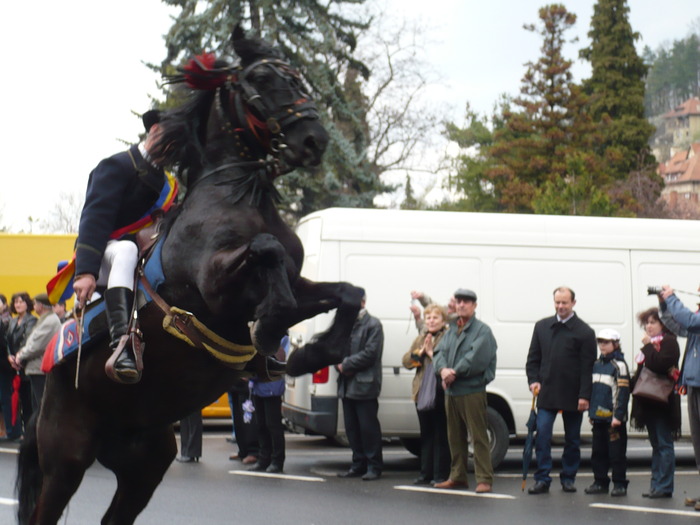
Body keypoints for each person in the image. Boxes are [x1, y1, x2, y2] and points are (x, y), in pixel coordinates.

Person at [68, 110, 176, 384]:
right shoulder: (116, 166)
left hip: (137, 259)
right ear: (154, 129)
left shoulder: (167, 184)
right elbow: (94, 218)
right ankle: (122, 343)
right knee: (125, 250)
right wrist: (86, 272)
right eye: (171, 135)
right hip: (104, 256)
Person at [526, 286, 596, 494]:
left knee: (572, 439)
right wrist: (533, 381)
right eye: (557, 302)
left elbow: (587, 367)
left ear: (573, 303)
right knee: (543, 435)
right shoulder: (542, 326)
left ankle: (568, 477)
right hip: (546, 392)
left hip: (573, 394)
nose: (560, 306)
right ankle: (542, 478)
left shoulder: (584, 332)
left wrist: (585, 395)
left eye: (564, 302)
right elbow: (533, 359)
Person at [433, 288, 497, 493]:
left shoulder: (482, 331)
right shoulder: (452, 328)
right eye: (459, 301)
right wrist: (442, 370)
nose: (461, 305)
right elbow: (439, 352)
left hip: (471, 390)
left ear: (474, 306)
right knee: (454, 436)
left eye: (466, 302)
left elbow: (476, 358)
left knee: (478, 436)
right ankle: (458, 476)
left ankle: (484, 478)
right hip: (451, 390)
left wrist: (454, 373)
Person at [631, 307, 681, 499]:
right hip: (649, 401)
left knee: (664, 444)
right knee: (656, 445)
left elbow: (659, 364)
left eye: (653, 322)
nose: (649, 327)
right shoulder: (653, 343)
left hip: (662, 402)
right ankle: (656, 484)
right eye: (647, 323)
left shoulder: (669, 342)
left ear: (663, 325)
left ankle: (664, 486)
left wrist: (648, 346)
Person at [659, 284, 700, 510]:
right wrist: (664, 304)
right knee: (698, 443)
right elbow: (677, 325)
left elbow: (690, 321)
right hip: (695, 383)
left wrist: (672, 298)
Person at [336, 291, 384, 481]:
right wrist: (338, 364)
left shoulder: (373, 324)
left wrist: (345, 365)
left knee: (368, 428)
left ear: (363, 302)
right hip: (346, 385)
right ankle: (358, 464)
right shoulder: (345, 324)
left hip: (365, 386)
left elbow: (371, 353)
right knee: (352, 429)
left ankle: (374, 466)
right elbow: (335, 349)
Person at [402, 304, 450, 485]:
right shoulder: (421, 337)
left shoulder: (448, 337)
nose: (431, 321)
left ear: (443, 320)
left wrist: (431, 353)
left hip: (440, 391)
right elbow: (406, 361)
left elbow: (447, 361)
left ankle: (441, 474)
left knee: (441, 435)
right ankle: (425, 473)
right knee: (426, 434)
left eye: (435, 318)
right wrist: (420, 353)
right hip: (422, 392)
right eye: (428, 317)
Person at [584, 329, 630, 497]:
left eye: (606, 342)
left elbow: (622, 393)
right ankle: (600, 482)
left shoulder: (619, 365)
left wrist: (618, 416)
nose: (602, 345)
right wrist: (592, 413)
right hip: (598, 418)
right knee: (598, 452)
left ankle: (620, 484)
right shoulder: (597, 364)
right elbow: (594, 391)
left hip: (613, 420)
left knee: (616, 453)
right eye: (600, 342)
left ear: (615, 344)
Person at [11, 294, 61, 412]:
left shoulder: (49, 321)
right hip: (37, 368)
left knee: (42, 407)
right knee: (37, 406)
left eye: (35, 303)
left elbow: (35, 346)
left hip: (40, 370)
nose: (33, 306)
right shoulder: (45, 319)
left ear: (41, 306)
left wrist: (20, 355)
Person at [248, 336, 288, 473]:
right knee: (261, 425)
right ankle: (264, 459)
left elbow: (280, 361)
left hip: (272, 385)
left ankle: (277, 460)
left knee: (273, 425)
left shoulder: (281, 337)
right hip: (258, 386)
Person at [1, 292, 38, 440]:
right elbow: (6, 341)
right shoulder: (11, 321)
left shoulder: (32, 320)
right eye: (15, 302)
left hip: (26, 365)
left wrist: (18, 357)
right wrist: (9, 356)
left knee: (29, 400)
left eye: (21, 302)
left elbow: (28, 340)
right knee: (15, 400)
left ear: (27, 304)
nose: (18, 305)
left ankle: (30, 433)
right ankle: (19, 431)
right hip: (13, 366)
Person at [228, 378, 260, 465]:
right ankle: (243, 451)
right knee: (238, 421)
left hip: (247, 383)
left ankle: (253, 452)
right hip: (235, 382)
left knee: (248, 421)